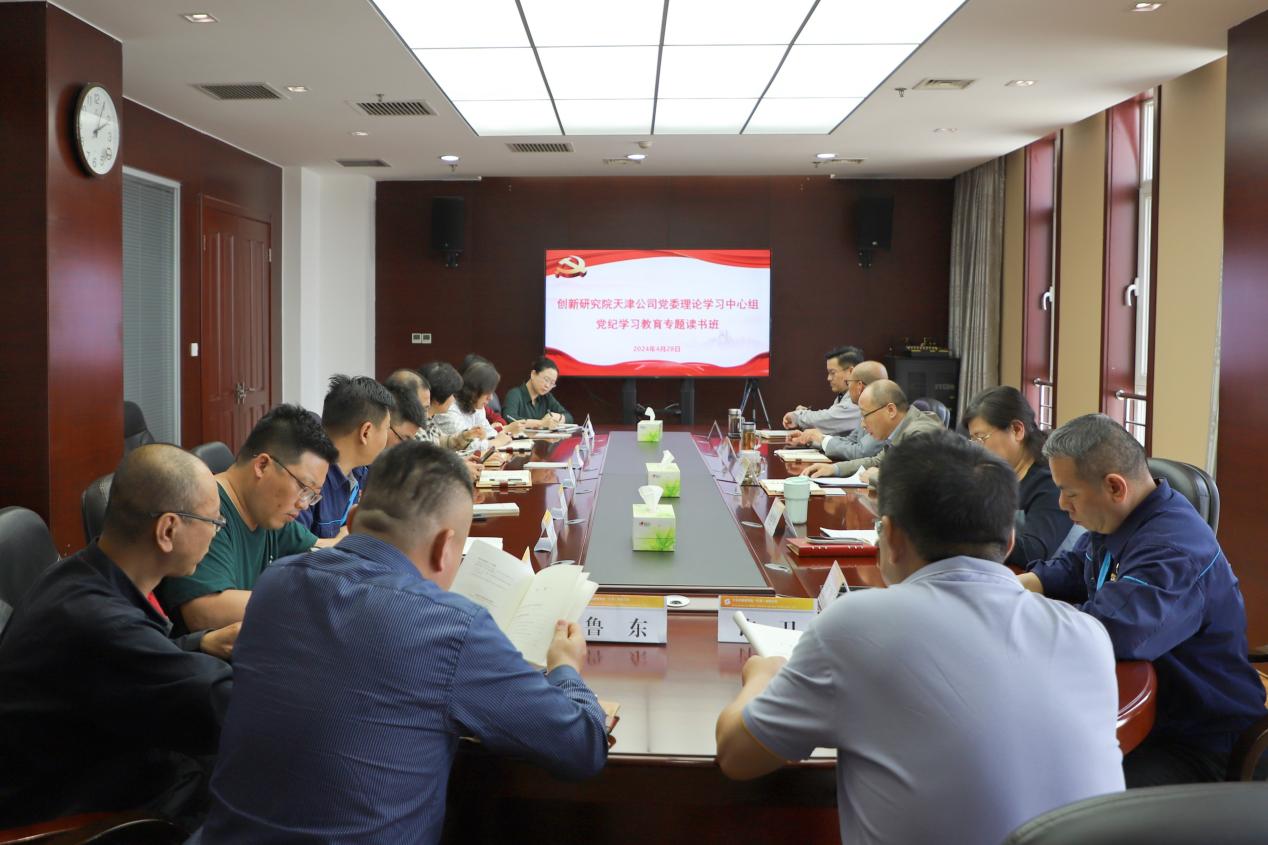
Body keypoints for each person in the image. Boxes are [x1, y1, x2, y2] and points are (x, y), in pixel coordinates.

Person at [716, 430, 1124, 845]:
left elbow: (737, 756)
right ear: (1009, 542)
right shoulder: (1086, 634)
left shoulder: (857, 625)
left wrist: (762, 675)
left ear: (890, 536)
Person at [191, 442, 608, 843]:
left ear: (354, 518)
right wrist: (565, 667)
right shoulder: (450, 627)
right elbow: (582, 747)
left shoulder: (275, 583)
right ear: (445, 548)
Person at [1019, 414, 1268, 786]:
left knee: (1068, 784)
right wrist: (1016, 587)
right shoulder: (1120, 517)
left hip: (1197, 739)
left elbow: (1114, 631)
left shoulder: (1173, 549)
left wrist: (1018, 616)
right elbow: (1076, 565)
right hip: (1147, 711)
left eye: (1070, 493)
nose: (1062, 504)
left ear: (1114, 487)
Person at [0, 445, 237, 828]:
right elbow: (221, 708)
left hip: (96, 757)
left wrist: (202, 643)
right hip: (74, 814)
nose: (216, 531)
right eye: (214, 521)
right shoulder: (99, 620)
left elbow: (127, 660)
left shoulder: (81, 572)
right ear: (168, 530)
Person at [156, 404, 338, 634]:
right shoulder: (205, 510)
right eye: (303, 488)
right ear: (262, 465)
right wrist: (308, 603)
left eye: (312, 495)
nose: (303, 504)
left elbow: (317, 549)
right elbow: (203, 612)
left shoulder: (267, 512)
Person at [963, 386, 1078, 568]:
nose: (977, 448)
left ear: (1017, 430)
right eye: (973, 440)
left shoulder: (1051, 481)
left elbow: (1033, 551)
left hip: (1045, 580)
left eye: (981, 438)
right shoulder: (996, 473)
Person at [295, 375, 394, 540]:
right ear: (366, 432)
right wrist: (341, 540)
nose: (388, 437)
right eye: (387, 428)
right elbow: (294, 549)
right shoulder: (306, 478)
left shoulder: (362, 472)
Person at [803, 380, 942, 480]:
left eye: (865, 415)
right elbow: (877, 461)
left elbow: (916, 481)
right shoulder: (900, 429)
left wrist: (879, 478)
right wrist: (834, 469)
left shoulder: (922, 433)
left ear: (891, 410)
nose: (863, 424)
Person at [787, 360, 887, 462]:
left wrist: (821, 438)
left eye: (848, 382)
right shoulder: (868, 409)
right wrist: (812, 439)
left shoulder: (881, 413)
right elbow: (849, 441)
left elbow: (860, 452)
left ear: (859, 387)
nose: (848, 388)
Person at [435, 361, 524, 450]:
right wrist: (497, 442)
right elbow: (465, 445)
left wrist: (498, 437)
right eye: (488, 392)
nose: (491, 398)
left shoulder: (477, 406)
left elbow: (489, 432)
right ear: (474, 391)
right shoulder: (449, 409)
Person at [780, 345, 864, 435]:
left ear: (851, 371)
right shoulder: (843, 396)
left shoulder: (861, 397)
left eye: (832, 373)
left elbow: (829, 420)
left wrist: (799, 416)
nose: (829, 378)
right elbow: (830, 428)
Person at [417, 361, 481, 450]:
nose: (453, 399)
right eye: (451, 395)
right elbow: (433, 457)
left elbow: (442, 442)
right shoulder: (416, 428)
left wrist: (466, 436)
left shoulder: (428, 419)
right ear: (439, 396)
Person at [501, 355, 574, 426]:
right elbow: (509, 418)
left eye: (552, 383)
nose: (547, 386)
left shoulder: (547, 397)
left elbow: (569, 418)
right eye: (546, 379)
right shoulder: (515, 394)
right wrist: (541, 423)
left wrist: (558, 417)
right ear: (533, 374)